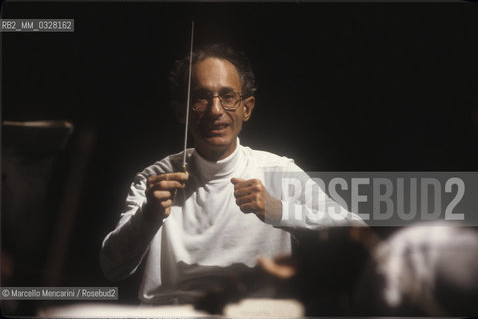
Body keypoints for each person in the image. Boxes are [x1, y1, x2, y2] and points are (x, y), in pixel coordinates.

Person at [100, 43, 365, 305]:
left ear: (246, 108)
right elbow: (113, 268)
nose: (215, 111)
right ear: (181, 111)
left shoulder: (278, 172)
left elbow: (355, 234)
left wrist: (281, 211)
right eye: (201, 97)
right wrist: (149, 216)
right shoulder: (155, 179)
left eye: (228, 96)